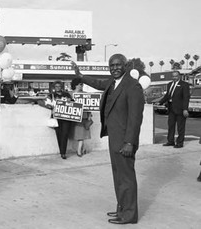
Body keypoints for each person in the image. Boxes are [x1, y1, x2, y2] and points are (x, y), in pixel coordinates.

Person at [72, 54, 144, 225]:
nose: (115, 68)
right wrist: (81, 76)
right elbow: (97, 83)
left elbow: (135, 118)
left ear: (126, 66)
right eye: (111, 66)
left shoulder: (132, 86)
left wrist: (129, 142)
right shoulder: (112, 83)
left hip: (125, 140)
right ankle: (122, 208)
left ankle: (129, 215)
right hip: (114, 138)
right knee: (118, 176)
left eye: (118, 65)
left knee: (126, 177)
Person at [158, 70, 190, 148]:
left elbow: (186, 98)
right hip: (171, 109)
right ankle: (170, 141)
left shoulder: (184, 85)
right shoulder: (169, 84)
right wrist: (160, 102)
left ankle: (179, 143)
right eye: (173, 76)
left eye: (176, 76)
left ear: (179, 76)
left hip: (180, 109)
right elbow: (167, 96)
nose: (174, 77)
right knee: (171, 126)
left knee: (180, 127)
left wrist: (185, 109)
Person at [0, 76, 18, 158]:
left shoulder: (4, 91)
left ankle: (1, 152)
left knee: (1, 134)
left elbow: (11, 102)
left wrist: (15, 95)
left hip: (2, 117)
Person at [42, 81, 73, 159]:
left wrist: (70, 101)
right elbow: (46, 103)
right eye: (56, 86)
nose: (58, 87)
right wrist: (52, 106)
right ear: (54, 87)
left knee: (65, 134)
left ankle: (63, 152)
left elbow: (73, 103)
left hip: (66, 117)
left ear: (61, 87)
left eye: (59, 86)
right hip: (56, 117)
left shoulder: (67, 94)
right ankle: (62, 151)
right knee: (59, 134)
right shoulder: (51, 95)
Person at [69, 77, 92, 157]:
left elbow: (90, 105)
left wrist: (89, 115)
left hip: (84, 116)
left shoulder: (85, 93)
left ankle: (79, 151)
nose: (81, 86)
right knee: (78, 134)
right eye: (80, 84)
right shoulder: (70, 94)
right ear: (75, 85)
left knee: (81, 134)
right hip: (73, 116)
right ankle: (82, 149)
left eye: (82, 84)